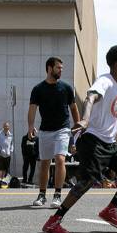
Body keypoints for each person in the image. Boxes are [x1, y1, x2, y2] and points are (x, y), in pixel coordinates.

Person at [41, 45, 117, 233]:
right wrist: (85, 119)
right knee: (88, 180)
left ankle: (111, 210)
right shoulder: (104, 81)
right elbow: (90, 98)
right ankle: (53, 222)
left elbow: (108, 118)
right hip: (92, 140)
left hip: (109, 143)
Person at [29, 56, 81, 208]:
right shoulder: (38, 89)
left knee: (60, 159)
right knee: (44, 163)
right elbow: (32, 109)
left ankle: (57, 195)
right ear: (49, 68)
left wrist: (77, 127)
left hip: (63, 129)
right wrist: (30, 125)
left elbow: (73, 108)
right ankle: (42, 195)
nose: (61, 70)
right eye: (58, 67)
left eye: (62, 68)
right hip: (45, 130)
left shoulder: (66, 88)